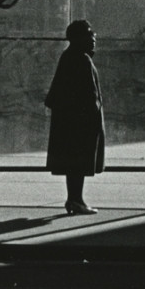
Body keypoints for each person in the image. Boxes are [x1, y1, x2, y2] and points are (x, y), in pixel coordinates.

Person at [44, 19, 105, 215]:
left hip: (70, 122)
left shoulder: (69, 56)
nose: (93, 37)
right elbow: (89, 95)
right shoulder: (82, 59)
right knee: (79, 162)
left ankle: (74, 199)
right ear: (78, 38)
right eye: (89, 34)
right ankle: (76, 200)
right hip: (80, 123)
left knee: (74, 164)